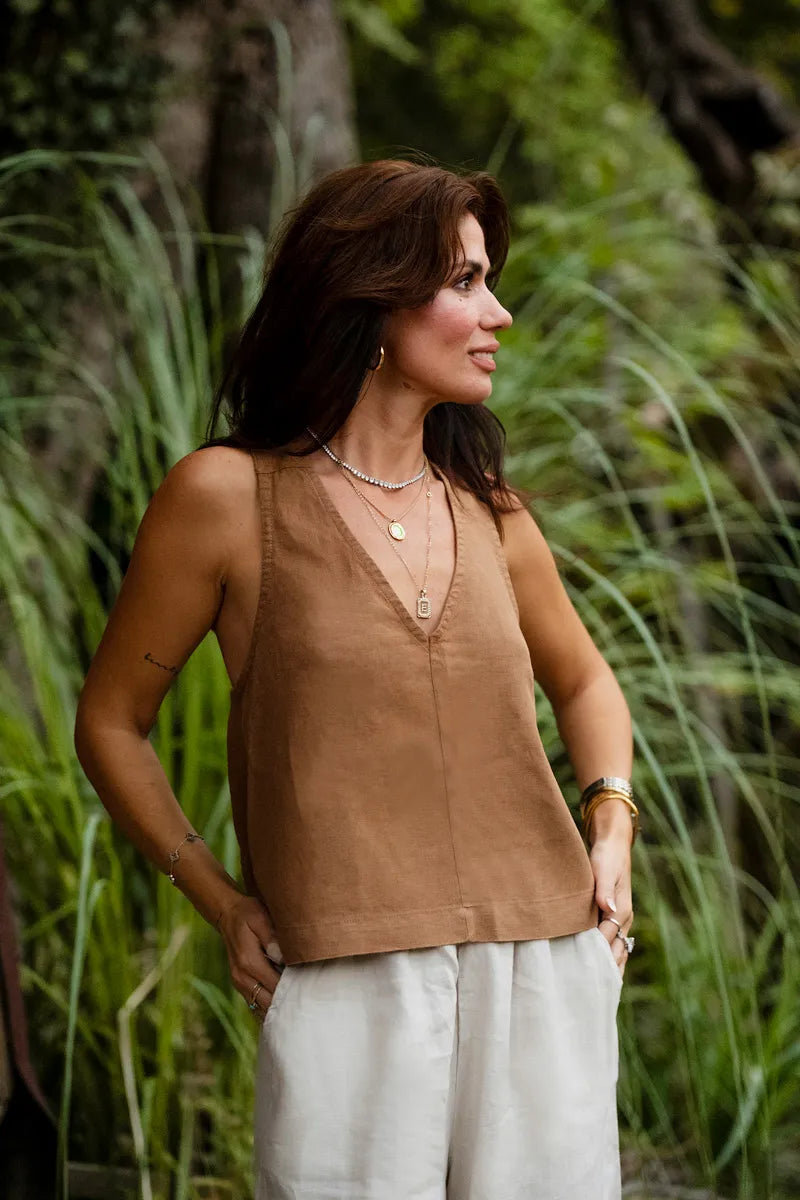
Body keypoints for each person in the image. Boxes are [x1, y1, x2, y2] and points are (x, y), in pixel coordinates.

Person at [74, 158, 637, 1199]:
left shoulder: (493, 510)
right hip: (346, 975)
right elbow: (110, 722)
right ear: (370, 300)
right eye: (464, 282)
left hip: (546, 964)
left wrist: (611, 830)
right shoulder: (227, 497)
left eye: (489, 281)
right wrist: (222, 902)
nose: (497, 314)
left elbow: (587, 683)